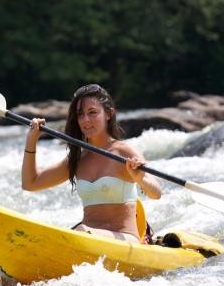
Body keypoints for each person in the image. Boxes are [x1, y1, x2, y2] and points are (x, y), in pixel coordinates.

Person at [21, 84, 161, 243]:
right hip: (88, 238)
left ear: (108, 114)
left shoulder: (124, 152)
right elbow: (30, 183)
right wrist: (31, 141)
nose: (86, 120)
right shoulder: (77, 159)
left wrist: (139, 178)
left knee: (80, 231)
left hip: (125, 239)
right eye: (80, 115)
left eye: (92, 112)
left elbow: (156, 193)